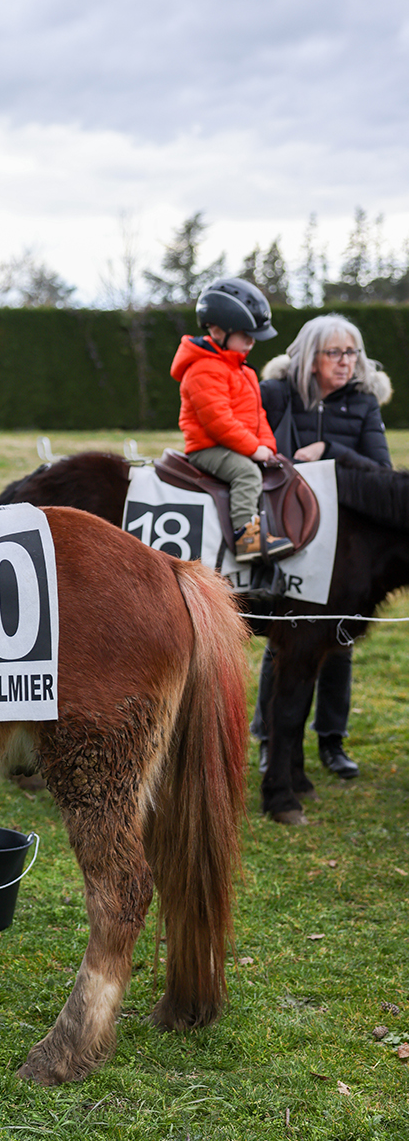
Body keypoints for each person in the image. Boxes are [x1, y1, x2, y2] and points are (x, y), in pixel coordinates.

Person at [253, 313, 393, 782]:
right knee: (284, 638)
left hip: (345, 544)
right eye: (335, 352)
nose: (346, 362)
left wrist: (330, 448)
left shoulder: (363, 403)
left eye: (352, 352)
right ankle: (270, 741)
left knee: (339, 641)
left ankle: (332, 741)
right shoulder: (275, 395)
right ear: (310, 358)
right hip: (286, 529)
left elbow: (380, 472)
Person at [170, 277, 296, 562]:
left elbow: (257, 415)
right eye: (246, 335)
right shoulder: (203, 369)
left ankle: (268, 527)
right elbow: (218, 422)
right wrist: (253, 450)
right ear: (217, 329)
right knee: (246, 473)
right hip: (208, 448)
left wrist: (267, 446)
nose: (252, 343)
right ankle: (247, 541)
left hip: (236, 443)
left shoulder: (243, 370)